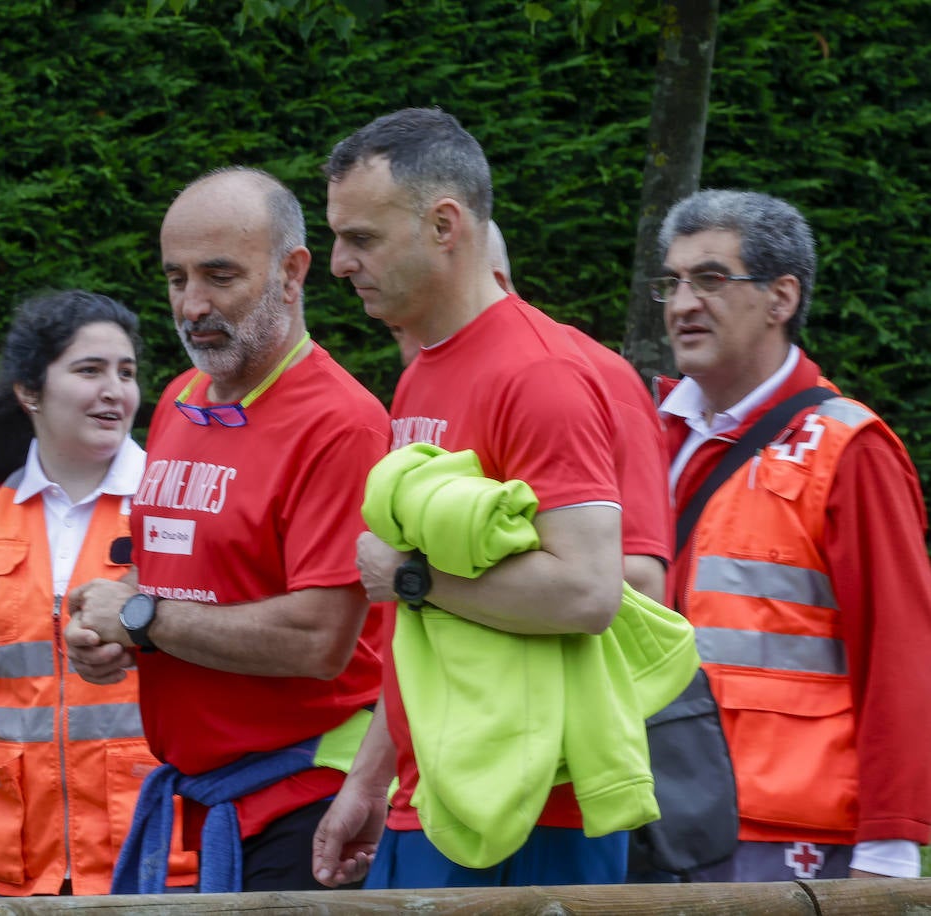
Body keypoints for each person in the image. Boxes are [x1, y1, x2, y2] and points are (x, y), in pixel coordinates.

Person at [314, 107, 634, 889]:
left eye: (361, 238)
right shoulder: (423, 369)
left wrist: (414, 578)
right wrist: (370, 780)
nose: (336, 263)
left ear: (445, 225)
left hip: (531, 815)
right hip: (438, 796)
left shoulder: (539, 375)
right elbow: (423, 630)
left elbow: (590, 592)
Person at [63, 166, 389, 892]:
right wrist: (111, 627)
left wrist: (143, 620)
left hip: (310, 802)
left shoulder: (342, 424)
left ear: (292, 272)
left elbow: (318, 641)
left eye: (219, 276)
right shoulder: (181, 399)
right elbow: (176, 577)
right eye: (176, 278)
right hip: (204, 802)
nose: (193, 305)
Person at [653, 189, 931, 880]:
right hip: (649, 814)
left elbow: (899, 650)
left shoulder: (850, 449)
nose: (683, 302)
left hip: (785, 834)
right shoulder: (647, 431)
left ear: (781, 298)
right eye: (673, 280)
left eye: (710, 278)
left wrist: (890, 846)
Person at [0, 290, 195, 895]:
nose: (114, 389)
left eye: (127, 372)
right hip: (19, 856)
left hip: (155, 846)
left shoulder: (175, 505)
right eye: (89, 370)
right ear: (29, 391)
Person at [389, 219, 670, 601]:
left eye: (412, 328)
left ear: (494, 282)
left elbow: (640, 580)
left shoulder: (592, 376)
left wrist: (415, 578)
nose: (411, 352)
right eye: (398, 330)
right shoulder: (420, 378)